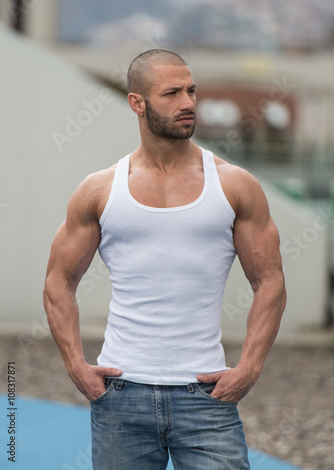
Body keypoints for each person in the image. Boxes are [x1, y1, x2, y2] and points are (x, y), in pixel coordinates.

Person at [43, 49, 286, 470]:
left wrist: (249, 367)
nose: (188, 102)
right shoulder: (100, 190)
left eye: (191, 90)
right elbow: (58, 281)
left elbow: (270, 281)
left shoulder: (234, 185)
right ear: (137, 103)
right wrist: (76, 366)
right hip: (120, 395)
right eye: (172, 93)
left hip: (206, 395)